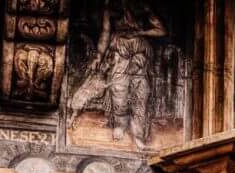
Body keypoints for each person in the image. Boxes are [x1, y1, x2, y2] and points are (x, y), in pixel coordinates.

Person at [69, 1, 166, 149]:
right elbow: (105, 34)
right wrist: (99, 56)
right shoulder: (112, 8)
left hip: (140, 55)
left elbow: (161, 31)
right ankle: (120, 125)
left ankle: (138, 134)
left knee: (141, 94)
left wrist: (140, 32)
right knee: (119, 92)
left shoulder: (142, 8)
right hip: (119, 54)